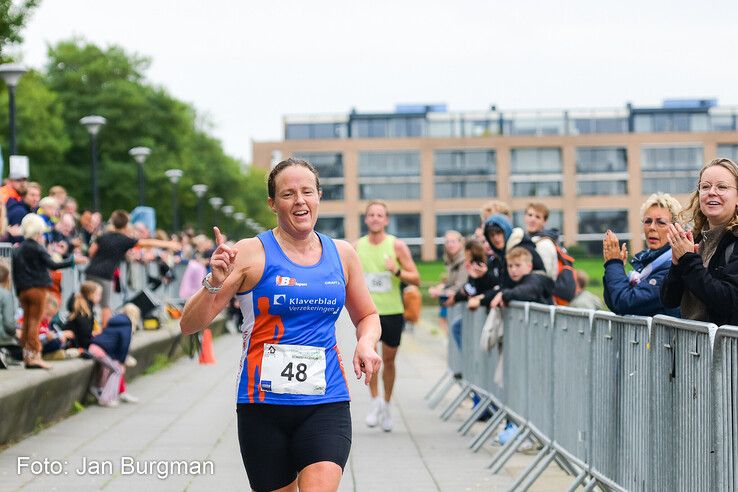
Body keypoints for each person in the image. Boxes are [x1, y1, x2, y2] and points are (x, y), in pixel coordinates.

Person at [180, 157, 381, 492]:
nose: (299, 200)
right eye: (288, 194)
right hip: (262, 406)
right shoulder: (249, 253)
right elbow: (189, 324)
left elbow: (367, 316)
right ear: (273, 203)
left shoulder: (342, 254)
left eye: (307, 192)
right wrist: (213, 282)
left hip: (326, 400)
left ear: (319, 197)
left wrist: (365, 342)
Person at [356, 200, 420, 433]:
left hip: (392, 311)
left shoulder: (397, 246)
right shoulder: (357, 247)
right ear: (366, 219)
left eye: (379, 215)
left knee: (389, 361)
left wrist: (396, 271)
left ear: (386, 220)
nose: (375, 218)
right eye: (371, 215)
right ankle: (374, 402)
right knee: (370, 358)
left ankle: (387, 404)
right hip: (366, 313)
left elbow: (416, 278)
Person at [661, 158, 738, 325]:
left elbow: (729, 302)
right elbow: (669, 300)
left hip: (725, 349)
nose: (712, 192)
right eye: (705, 187)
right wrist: (676, 264)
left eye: (722, 187)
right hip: (690, 348)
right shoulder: (695, 239)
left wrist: (688, 261)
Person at [85, 210, 180, 326]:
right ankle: (105, 333)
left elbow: (91, 252)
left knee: (86, 303)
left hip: (90, 272)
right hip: (105, 275)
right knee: (105, 306)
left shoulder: (103, 236)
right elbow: (147, 242)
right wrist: (169, 244)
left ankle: (85, 329)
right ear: (126, 225)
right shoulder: (124, 240)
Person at [11, 214, 76, 369]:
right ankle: (34, 356)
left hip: (23, 290)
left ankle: (27, 354)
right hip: (37, 289)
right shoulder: (37, 248)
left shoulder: (19, 249)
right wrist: (71, 261)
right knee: (35, 321)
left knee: (27, 321)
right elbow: (52, 264)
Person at [603, 193, 682, 317]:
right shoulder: (645, 265)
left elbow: (624, 303)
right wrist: (616, 270)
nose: (652, 227)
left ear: (676, 228)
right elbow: (614, 302)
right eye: (647, 221)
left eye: (661, 222)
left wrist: (613, 264)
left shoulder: (672, 268)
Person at [88, 303, 140, 407]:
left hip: (94, 347)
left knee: (108, 367)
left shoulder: (116, 321)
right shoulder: (127, 325)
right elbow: (124, 345)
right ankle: (106, 399)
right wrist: (122, 361)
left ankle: (100, 389)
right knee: (117, 370)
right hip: (101, 351)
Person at [428, 231, 467, 334]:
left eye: (453, 241)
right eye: (448, 242)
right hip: (451, 302)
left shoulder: (464, 261)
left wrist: (440, 292)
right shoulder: (450, 260)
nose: (450, 245)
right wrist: (442, 286)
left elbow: (460, 285)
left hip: (460, 304)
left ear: (460, 243)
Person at [490, 247, 555, 308]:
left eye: (518, 265)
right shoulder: (513, 282)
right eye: (510, 266)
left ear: (529, 266)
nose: (513, 269)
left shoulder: (536, 279)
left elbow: (527, 291)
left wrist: (504, 295)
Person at [524, 202, 559, 280]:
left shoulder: (544, 244)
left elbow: (543, 275)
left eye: (538, 217)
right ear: (525, 217)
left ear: (544, 222)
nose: (532, 219)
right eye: (530, 215)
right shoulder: (527, 240)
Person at [64, 281, 103, 352]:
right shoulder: (84, 312)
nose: (100, 297)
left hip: (76, 344)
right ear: (91, 295)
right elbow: (84, 337)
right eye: (98, 294)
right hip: (77, 346)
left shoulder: (83, 308)